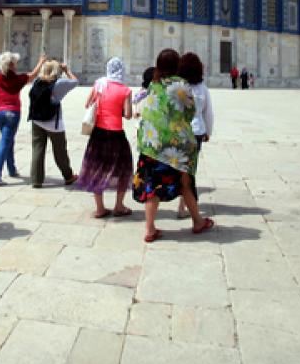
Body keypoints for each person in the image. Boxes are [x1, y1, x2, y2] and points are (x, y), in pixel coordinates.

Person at [133, 49, 213, 242]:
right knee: (185, 183)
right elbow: (190, 112)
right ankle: (197, 221)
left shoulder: (153, 84)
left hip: (150, 145)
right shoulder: (181, 85)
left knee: (152, 186)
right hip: (175, 147)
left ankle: (150, 229)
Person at [77, 57, 134, 218]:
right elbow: (128, 115)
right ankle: (119, 206)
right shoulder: (125, 90)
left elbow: (87, 104)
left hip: (99, 133)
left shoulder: (99, 84)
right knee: (123, 169)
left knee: (97, 168)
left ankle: (100, 208)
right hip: (116, 134)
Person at [0, 51, 45, 186]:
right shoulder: (18, 79)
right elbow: (33, 75)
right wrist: (41, 62)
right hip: (12, 114)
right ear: (11, 65)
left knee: (9, 140)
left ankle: (12, 169)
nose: (17, 65)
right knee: (5, 143)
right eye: (15, 63)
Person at [28, 59, 79, 188]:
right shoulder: (59, 83)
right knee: (60, 151)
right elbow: (75, 81)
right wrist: (67, 70)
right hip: (53, 123)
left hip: (37, 120)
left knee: (37, 150)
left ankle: (36, 180)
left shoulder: (36, 81)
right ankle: (68, 176)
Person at [177, 52, 213, 219]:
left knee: (180, 168)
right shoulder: (202, 89)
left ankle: (182, 204)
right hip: (196, 132)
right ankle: (183, 206)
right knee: (189, 169)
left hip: (179, 132)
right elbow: (208, 113)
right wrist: (208, 132)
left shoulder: (177, 87)